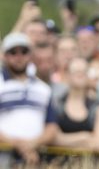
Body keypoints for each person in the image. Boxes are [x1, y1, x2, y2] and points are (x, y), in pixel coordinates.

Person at [0, 32, 58, 165]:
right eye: (13, 52)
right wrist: (18, 144)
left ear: (30, 55)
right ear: (4, 55)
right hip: (3, 155)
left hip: (35, 157)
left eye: (24, 51)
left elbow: (52, 127)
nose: (19, 56)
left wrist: (31, 145)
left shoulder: (43, 88)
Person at [52, 57, 99, 151]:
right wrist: (84, 137)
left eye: (84, 71)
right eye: (75, 71)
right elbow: (53, 138)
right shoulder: (57, 104)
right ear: (67, 75)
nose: (80, 74)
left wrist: (64, 140)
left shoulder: (97, 107)